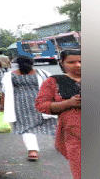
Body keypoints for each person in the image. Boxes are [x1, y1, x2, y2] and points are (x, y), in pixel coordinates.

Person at [36, 49, 81, 179]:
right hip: (74, 134)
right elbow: (41, 105)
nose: (78, 65)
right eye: (71, 62)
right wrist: (69, 103)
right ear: (62, 63)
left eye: (81, 61)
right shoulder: (53, 82)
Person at [1, 56, 57, 162]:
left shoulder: (10, 75)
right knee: (51, 123)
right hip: (41, 102)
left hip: (20, 104)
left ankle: (32, 152)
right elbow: (54, 86)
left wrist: (2, 105)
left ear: (17, 63)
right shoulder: (42, 72)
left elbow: (4, 91)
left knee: (26, 127)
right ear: (32, 63)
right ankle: (60, 144)